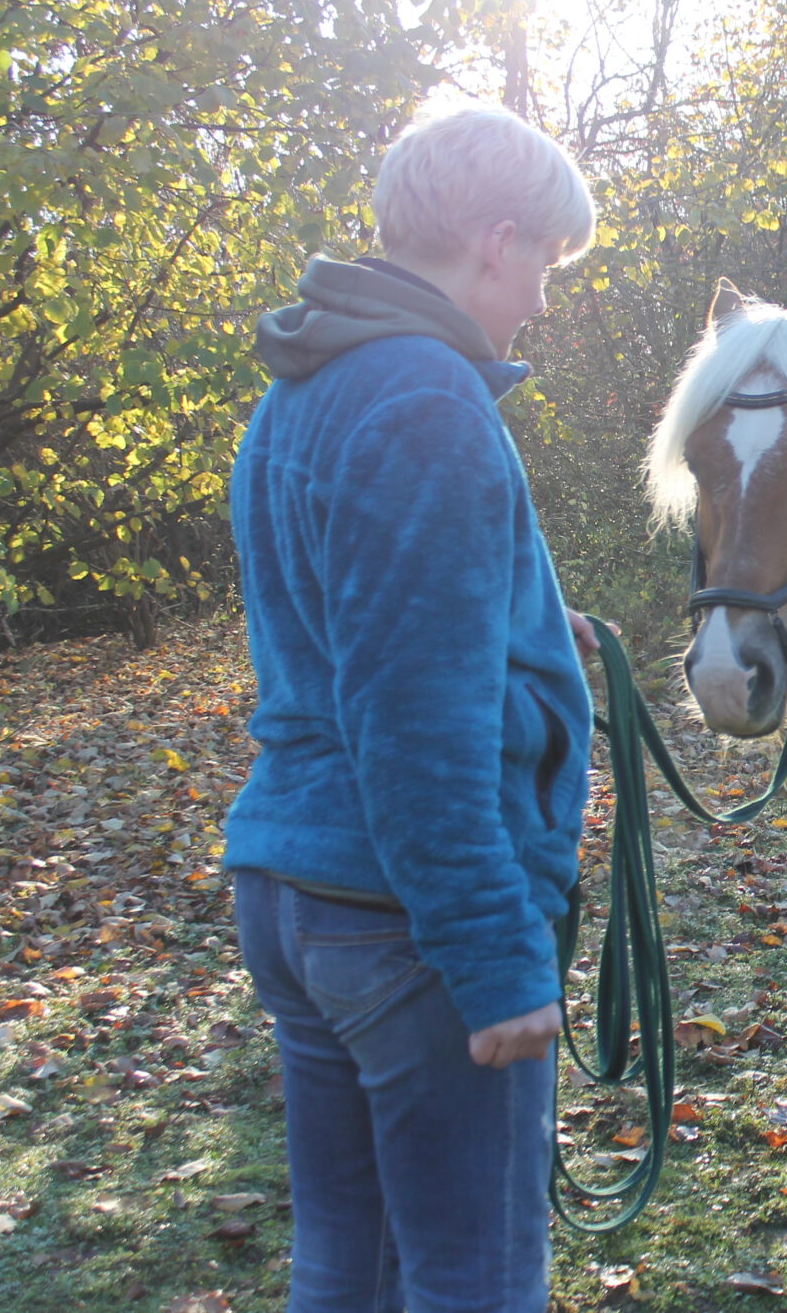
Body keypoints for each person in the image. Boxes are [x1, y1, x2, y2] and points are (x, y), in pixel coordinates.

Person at [225, 105, 600, 1311]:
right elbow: (411, 724)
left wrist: (531, 626)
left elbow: (346, 623)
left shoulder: (307, 385)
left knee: (350, 1267)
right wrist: (494, 956)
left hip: (301, 891)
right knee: (473, 1281)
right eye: (545, 264)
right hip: (408, 923)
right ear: (496, 242)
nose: (541, 300)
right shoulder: (427, 404)